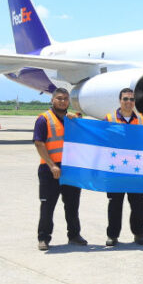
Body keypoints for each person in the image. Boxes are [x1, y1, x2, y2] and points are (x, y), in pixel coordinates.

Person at [32, 87, 88, 251]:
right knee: (47, 206)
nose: (62, 101)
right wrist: (52, 165)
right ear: (52, 100)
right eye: (59, 98)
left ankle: (74, 235)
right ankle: (43, 238)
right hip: (50, 169)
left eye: (65, 99)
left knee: (72, 206)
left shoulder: (73, 119)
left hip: (70, 169)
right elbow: (39, 143)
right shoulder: (44, 119)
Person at [104, 88, 143, 246]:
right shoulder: (109, 119)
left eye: (131, 99)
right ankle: (112, 235)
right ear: (119, 101)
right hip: (116, 171)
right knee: (115, 205)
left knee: (138, 205)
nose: (128, 102)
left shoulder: (142, 120)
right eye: (125, 99)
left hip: (136, 171)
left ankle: (139, 233)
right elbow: (100, 140)